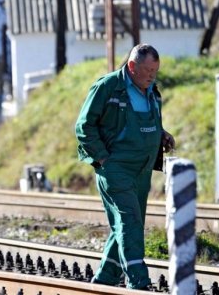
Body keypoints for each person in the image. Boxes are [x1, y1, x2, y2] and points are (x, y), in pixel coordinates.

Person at [74, 43, 175, 290]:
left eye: (155, 70)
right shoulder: (108, 87)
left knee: (129, 224)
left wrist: (161, 135)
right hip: (116, 169)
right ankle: (138, 282)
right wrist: (103, 159)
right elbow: (84, 126)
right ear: (132, 66)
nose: (152, 75)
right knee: (130, 222)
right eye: (148, 70)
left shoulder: (152, 91)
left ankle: (105, 279)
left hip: (142, 171)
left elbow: (147, 122)